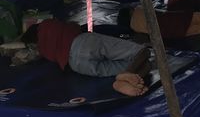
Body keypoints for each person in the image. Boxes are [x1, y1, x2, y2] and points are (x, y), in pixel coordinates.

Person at [21, 19, 151, 97]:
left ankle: (123, 79)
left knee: (142, 65)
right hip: (83, 43)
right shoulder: (47, 24)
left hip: (77, 65)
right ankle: (126, 74)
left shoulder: (43, 49)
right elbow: (74, 26)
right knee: (141, 52)